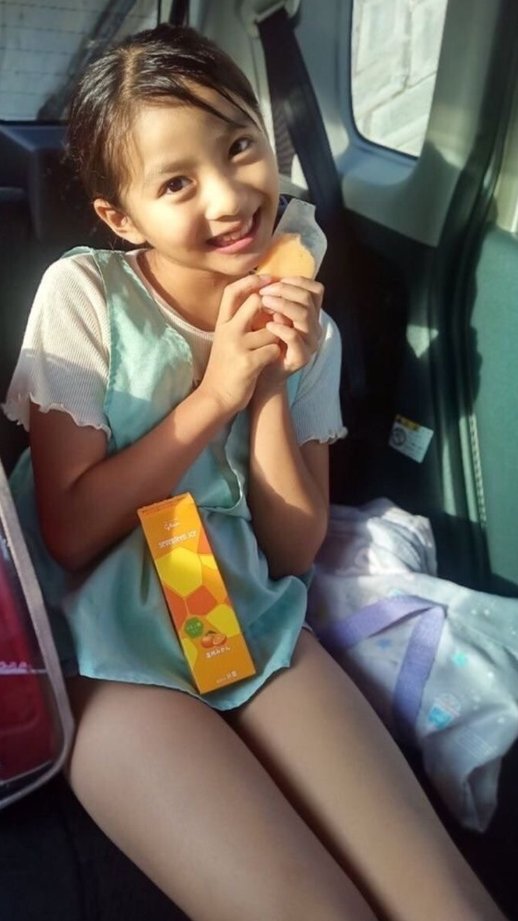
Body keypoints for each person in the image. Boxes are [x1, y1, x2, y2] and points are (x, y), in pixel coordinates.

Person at [2, 23, 507, 921]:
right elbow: (71, 532)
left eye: (240, 146)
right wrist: (214, 396)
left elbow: (291, 550)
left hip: (242, 608)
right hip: (101, 644)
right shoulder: (85, 297)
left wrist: (270, 381)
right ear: (122, 217)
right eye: (176, 183)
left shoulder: (306, 321)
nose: (231, 196)